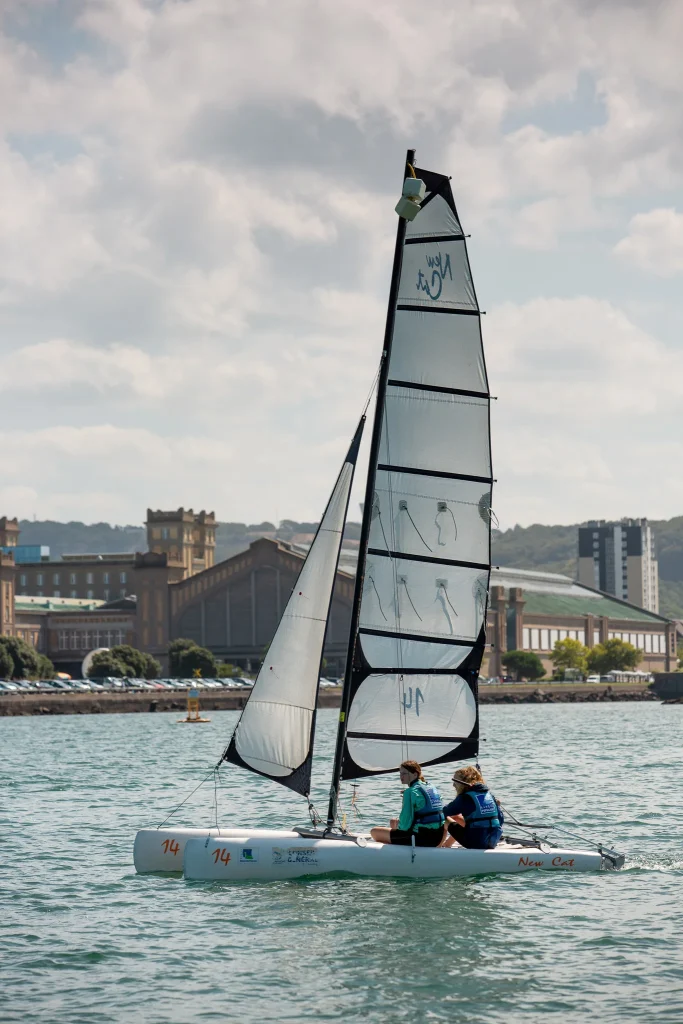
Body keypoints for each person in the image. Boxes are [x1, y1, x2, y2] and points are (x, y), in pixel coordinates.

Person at [370, 760, 445, 847]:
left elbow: (405, 826)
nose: (401, 776)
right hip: (438, 837)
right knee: (393, 822)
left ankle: (396, 854)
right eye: (400, 773)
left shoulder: (409, 792)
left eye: (404, 773)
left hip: (421, 838)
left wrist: (405, 800)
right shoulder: (430, 787)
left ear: (415, 774)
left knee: (374, 832)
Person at [441, 765, 503, 849]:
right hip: (493, 841)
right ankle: (447, 845)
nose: (453, 785)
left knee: (444, 819)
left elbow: (444, 813)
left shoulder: (465, 798)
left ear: (463, 782)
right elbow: (500, 820)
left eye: (455, 781)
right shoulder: (489, 795)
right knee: (458, 818)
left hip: (475, 842)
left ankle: (438, 848)